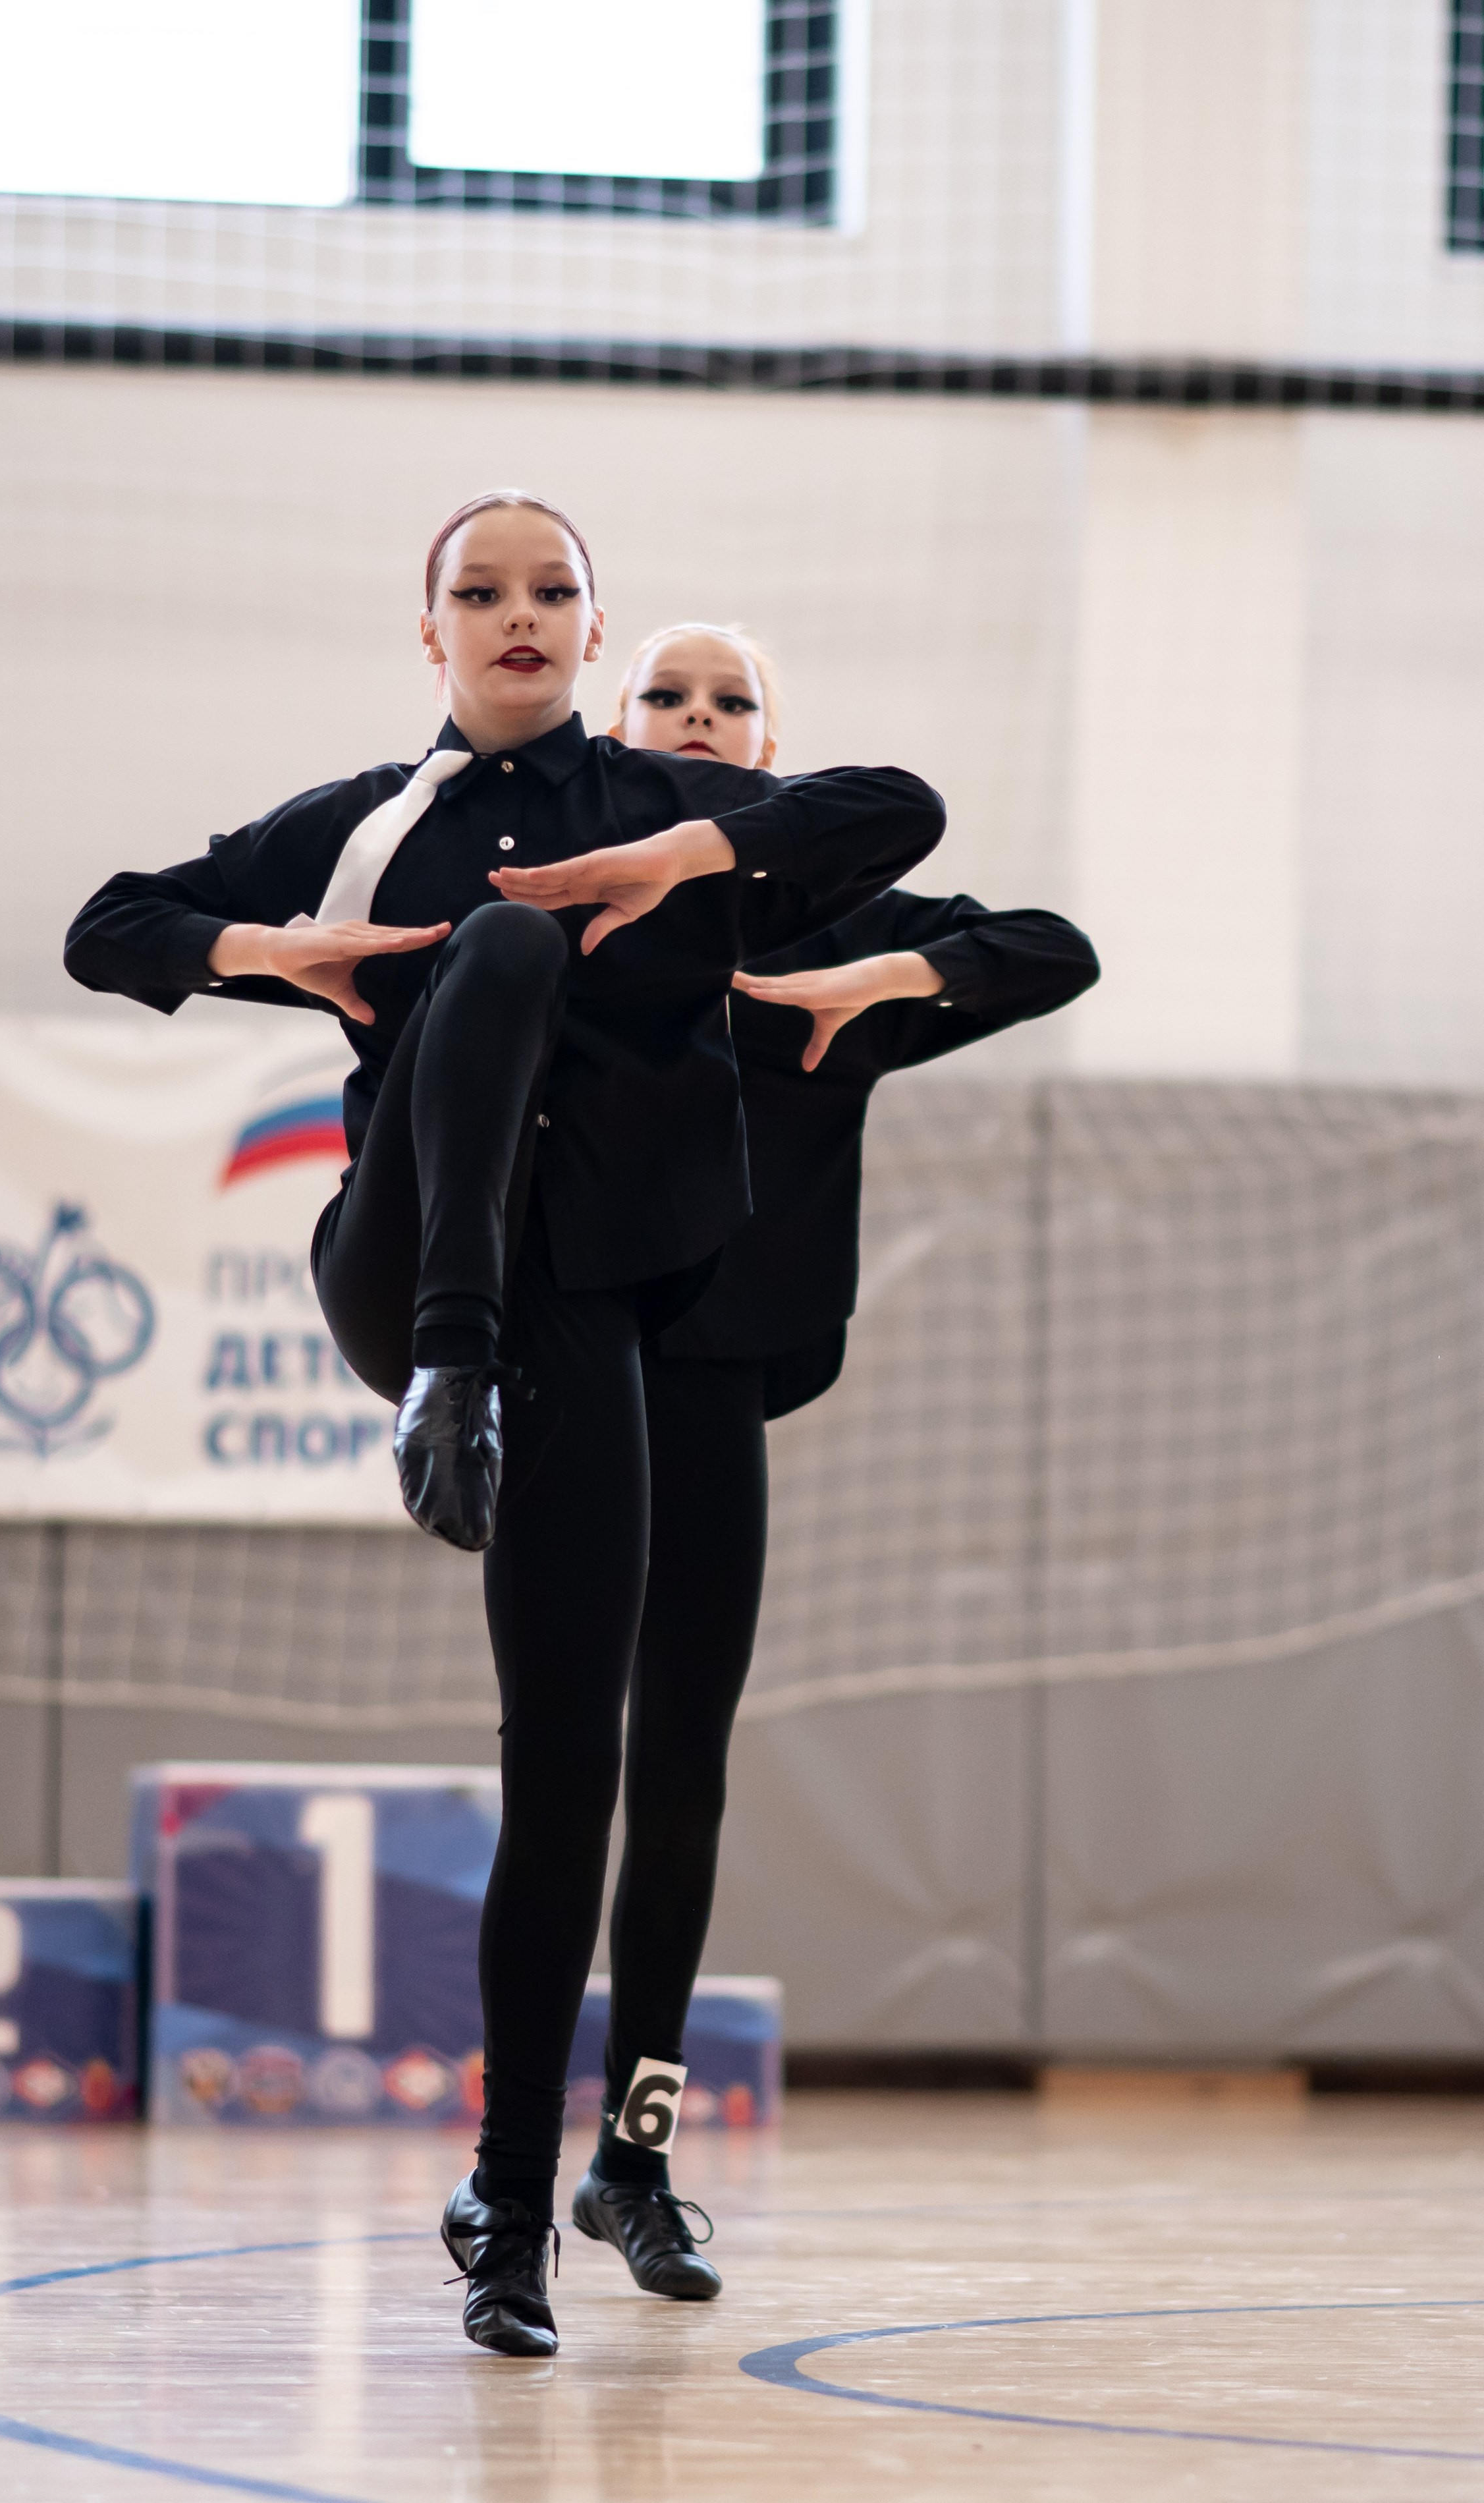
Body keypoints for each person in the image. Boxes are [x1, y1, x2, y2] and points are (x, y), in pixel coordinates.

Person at [64, 499, 944, 2359]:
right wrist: (268, 953)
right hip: (408, 1280)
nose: (520, 614)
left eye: (555, 591)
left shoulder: (659, 805)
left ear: (592, 628)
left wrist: (684, 854)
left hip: (592, 1320)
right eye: (485, 591)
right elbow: (106, 926)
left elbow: (898, 813)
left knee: (577, 1761)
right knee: (509, 956)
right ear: (432, 632)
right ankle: (447, 1372)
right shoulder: (373, 816)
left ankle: (518, 2206)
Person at [565, 623, 1099, 2302]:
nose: (702, 719)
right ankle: (513, 2171)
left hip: (713, 1381)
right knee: (559, 1765)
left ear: (773, 745)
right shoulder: (561, 898)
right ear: (614, 716)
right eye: (671, 693)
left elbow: (1055, 946)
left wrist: (885, 983)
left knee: (685, 1770)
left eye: (736, 702)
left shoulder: (832, 927)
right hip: (565, 1369)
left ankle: (631, 2160)